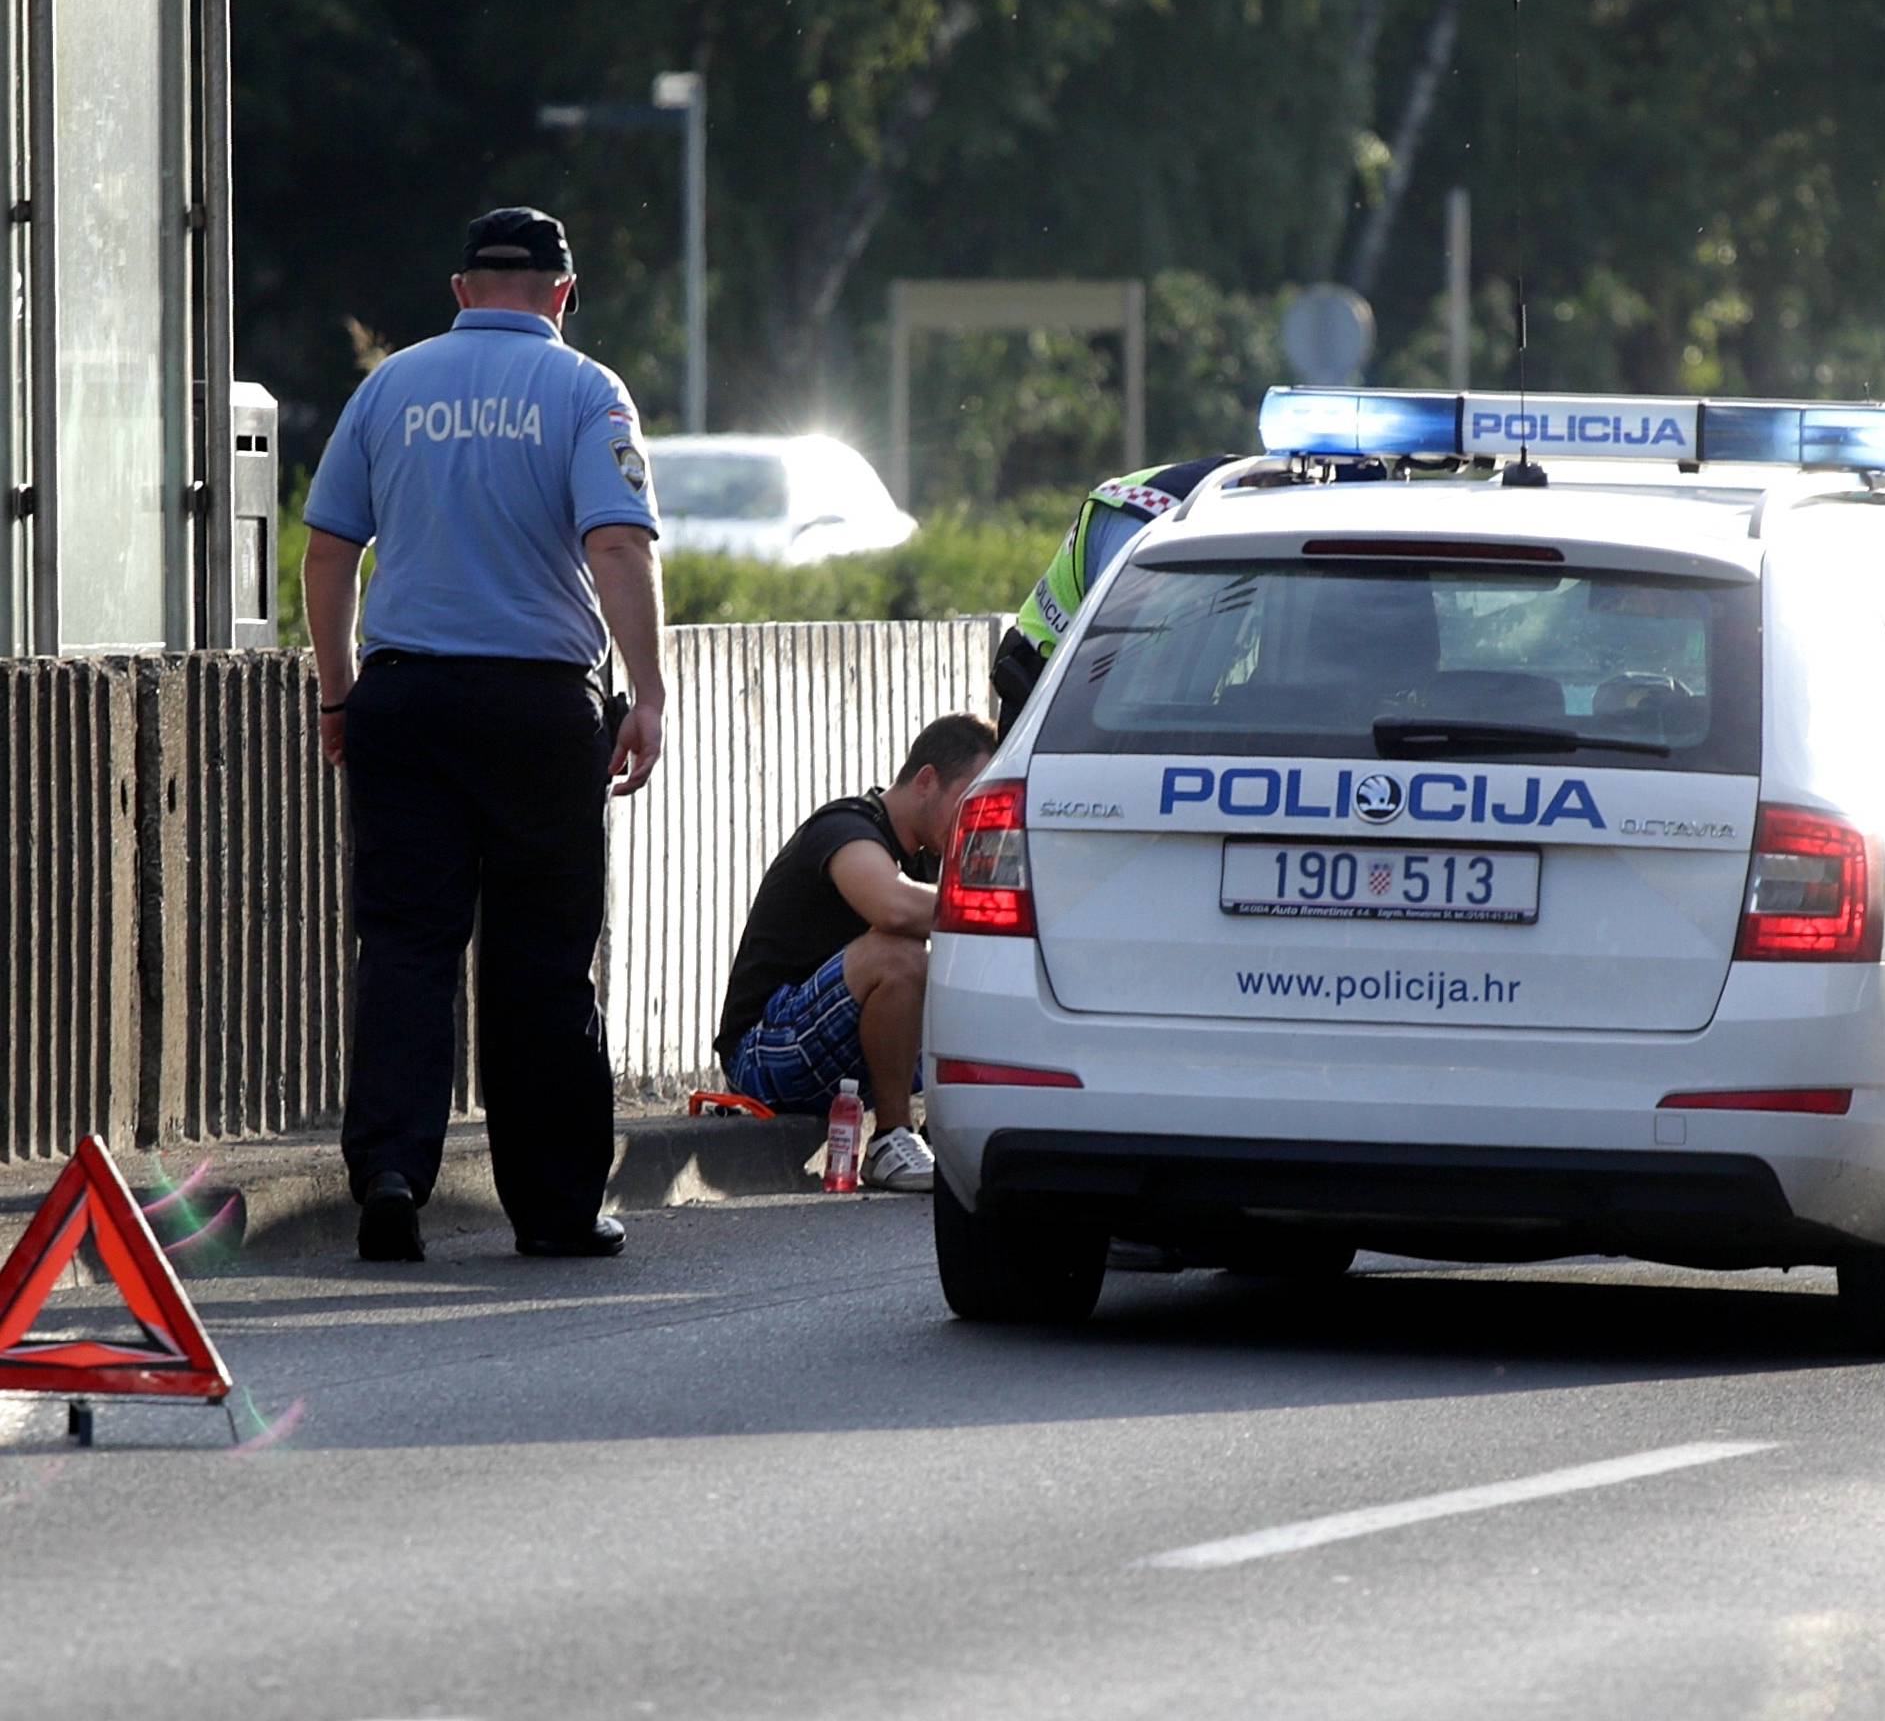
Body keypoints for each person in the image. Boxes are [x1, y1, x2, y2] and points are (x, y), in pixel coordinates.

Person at [302, 206, 667, 1264]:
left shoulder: (390, 387)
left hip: (406, 701)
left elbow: (330, 555)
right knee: (541, 958)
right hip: (538, 709)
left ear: (462, 291)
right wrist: (646, 693)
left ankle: (389, 1173)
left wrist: (340, 694)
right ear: (563, 293)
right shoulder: (588, 391)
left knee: (406, 943)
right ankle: (554, 1206)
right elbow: (617, 544)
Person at [713, 714, 998, 1192]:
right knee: (899, 953)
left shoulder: (934, 855)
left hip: (837, 1060)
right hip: (764, 1052)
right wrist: (1006, 908)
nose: (977, 820)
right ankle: (890, 1138)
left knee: (997, 977)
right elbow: (892, 906)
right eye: (969, 801)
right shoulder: (845, 826)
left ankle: (950, 1134)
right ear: (927, 780)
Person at [991, 455, 1243, 734]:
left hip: (1100, 690)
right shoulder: (1148, 521)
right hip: (1045, 685)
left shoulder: (1234, 515)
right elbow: (1110, 662)